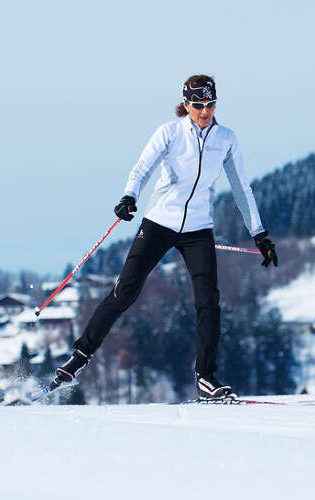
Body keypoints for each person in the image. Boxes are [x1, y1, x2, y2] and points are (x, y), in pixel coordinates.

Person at [53, 75, 277, 400]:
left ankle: (206, 377)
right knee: (125, 291)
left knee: (208, 300)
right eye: (198, 105)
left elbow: (242, 188)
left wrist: (259, 233)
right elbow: (142, 169)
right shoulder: (169, 133)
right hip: (160, 221)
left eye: (210, 104)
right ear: (186, 105)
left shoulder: (226, 139)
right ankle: (79, 357)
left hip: (198, 227)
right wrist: (129, 196)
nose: (205, 111)